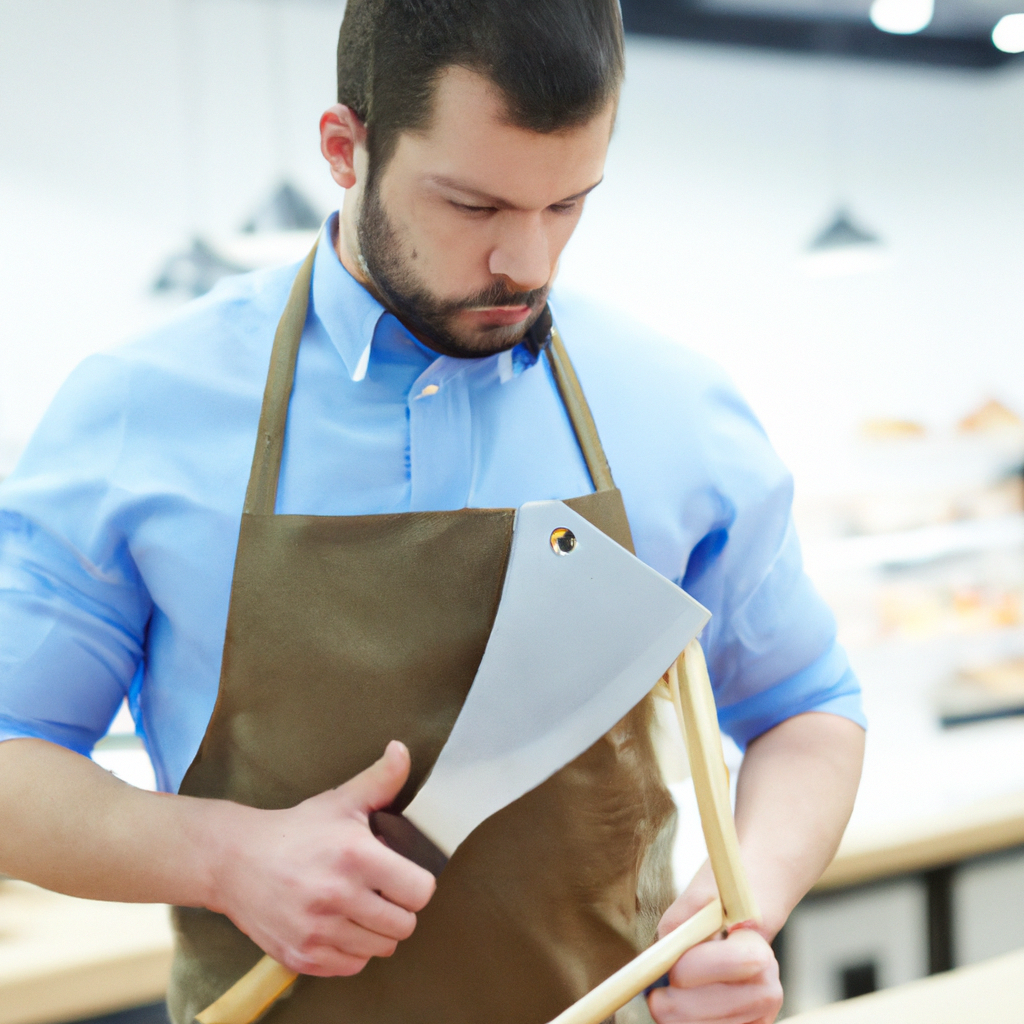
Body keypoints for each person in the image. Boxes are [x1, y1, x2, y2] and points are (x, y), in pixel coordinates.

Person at [0, 2, 865, 1022]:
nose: (529, 265)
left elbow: (807, 706)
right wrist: (224, 857)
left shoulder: (675, 410)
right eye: (472, 205)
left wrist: (738, 908)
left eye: (568, 206)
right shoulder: (141, 410)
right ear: (344, 147)